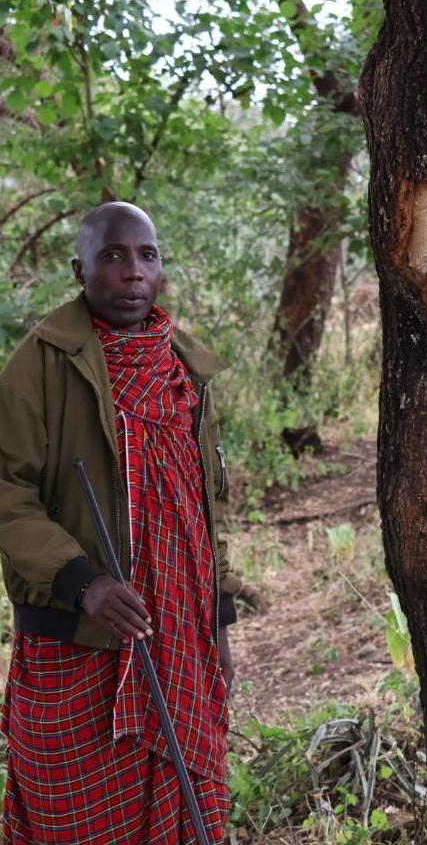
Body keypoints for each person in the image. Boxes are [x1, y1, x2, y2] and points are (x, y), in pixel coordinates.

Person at [0, 202, 242, 844]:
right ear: (79, 270)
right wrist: (81, 581)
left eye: (147, 255)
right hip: (77, 638)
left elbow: (205, 507)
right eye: (112, 256)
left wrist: (217, 624)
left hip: (179, 634)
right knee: (73, 817)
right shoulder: (41, 365)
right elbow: (7, 492)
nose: (133, 271)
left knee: (182, 809)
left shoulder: (186, 368)